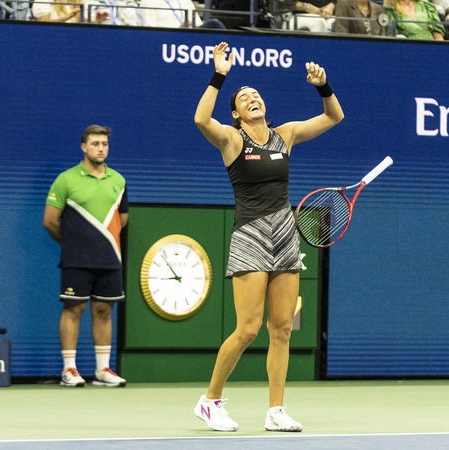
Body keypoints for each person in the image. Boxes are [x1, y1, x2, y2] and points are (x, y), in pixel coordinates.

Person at [192, 42, 344, 432]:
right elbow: (200, 119)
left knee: (281, 328)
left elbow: (334, 117)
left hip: (286, 236)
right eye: (244, 98)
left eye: (256, 95)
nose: (252, 98)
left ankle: (275, 411)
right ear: (236, 113)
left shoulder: (286, 135)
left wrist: (323, 85)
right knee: (247, 329)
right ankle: (210, 401)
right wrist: (219, 75)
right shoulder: (231, 139)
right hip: (250, 236)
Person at [43, 125, 128, 388]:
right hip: (76, 259)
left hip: (109, 259)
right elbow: (50, 221)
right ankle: (69, 369)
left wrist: (102, 242)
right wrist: (73, 244)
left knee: (104, 310)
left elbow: (122, 219)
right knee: (73, 309)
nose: (100, 148)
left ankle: (103, 370)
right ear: (84, 147)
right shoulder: (66, 180)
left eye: (104, 144)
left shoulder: (118, 180)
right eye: (95, 144)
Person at [136, 0, 225, 28]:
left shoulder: (185, 1)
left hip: (192, 36)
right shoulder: (148, 2)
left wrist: (194, 25)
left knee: (213, 24)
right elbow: (150, 33)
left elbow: (200, 25)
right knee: (214, 23)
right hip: (169, 40)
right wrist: (178, 28)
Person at [31, 0, 110, 23]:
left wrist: (97, 22)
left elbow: (85, 31)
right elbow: (43, 27)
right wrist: (64, 18)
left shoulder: (83, 1)